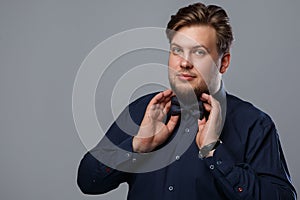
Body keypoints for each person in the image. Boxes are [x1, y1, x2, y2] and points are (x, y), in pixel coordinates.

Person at [77, 2, 297, 199]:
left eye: (199, 52)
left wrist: (214, 152)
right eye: (177, 50)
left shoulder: (254, 124)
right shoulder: (141, 111)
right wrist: (137, 145)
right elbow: (88, 181)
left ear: (224, 63)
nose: (184, 63)